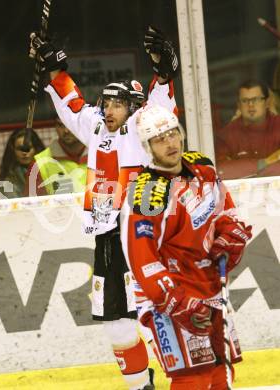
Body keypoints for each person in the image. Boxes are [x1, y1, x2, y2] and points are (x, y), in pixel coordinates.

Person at [29, 25, 179, 390]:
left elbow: (160, 104)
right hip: (108, 240)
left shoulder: (144, 127)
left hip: (144, 236)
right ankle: (141, 385)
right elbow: (71, 102)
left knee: (159, 313)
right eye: (106, 102)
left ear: (134, 107)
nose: (108, 109)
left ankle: (188, 374)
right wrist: (53, 69)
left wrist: (163, 72)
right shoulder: (95, 126)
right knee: (116, 324)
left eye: (117, 103)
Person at [121, 105, 252, 390]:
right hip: (167, 297)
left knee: (220, 375)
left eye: (172, 134)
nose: (169, 143)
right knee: (192, 378)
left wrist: (230, 236)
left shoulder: (202, 166)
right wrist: (175, 302)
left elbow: (224, 213)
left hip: (208, 287)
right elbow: (142, 260)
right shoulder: (147, 194)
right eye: (159, 139)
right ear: (147, 147)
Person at [215, 79, 280, 179]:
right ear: (239, 105)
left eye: (256, 99)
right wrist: (263, 163)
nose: (250, 105)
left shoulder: (277, 125)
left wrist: (244, 169)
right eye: (245, 101)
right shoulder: (226, 135)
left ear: (267, 103)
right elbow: (220, 170)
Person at [26, 117, 87, 196]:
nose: (66, 131)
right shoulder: (39, 164)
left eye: (71, 124)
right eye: (61, 125)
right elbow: (32, 206)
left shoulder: (101, 155)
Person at [0, 127, 45, 198]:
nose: (24, 153)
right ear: (13, 151)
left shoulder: (46, 170)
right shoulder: (9, 179)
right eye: (20, 149)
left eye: (28, 148)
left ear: (36, 148)